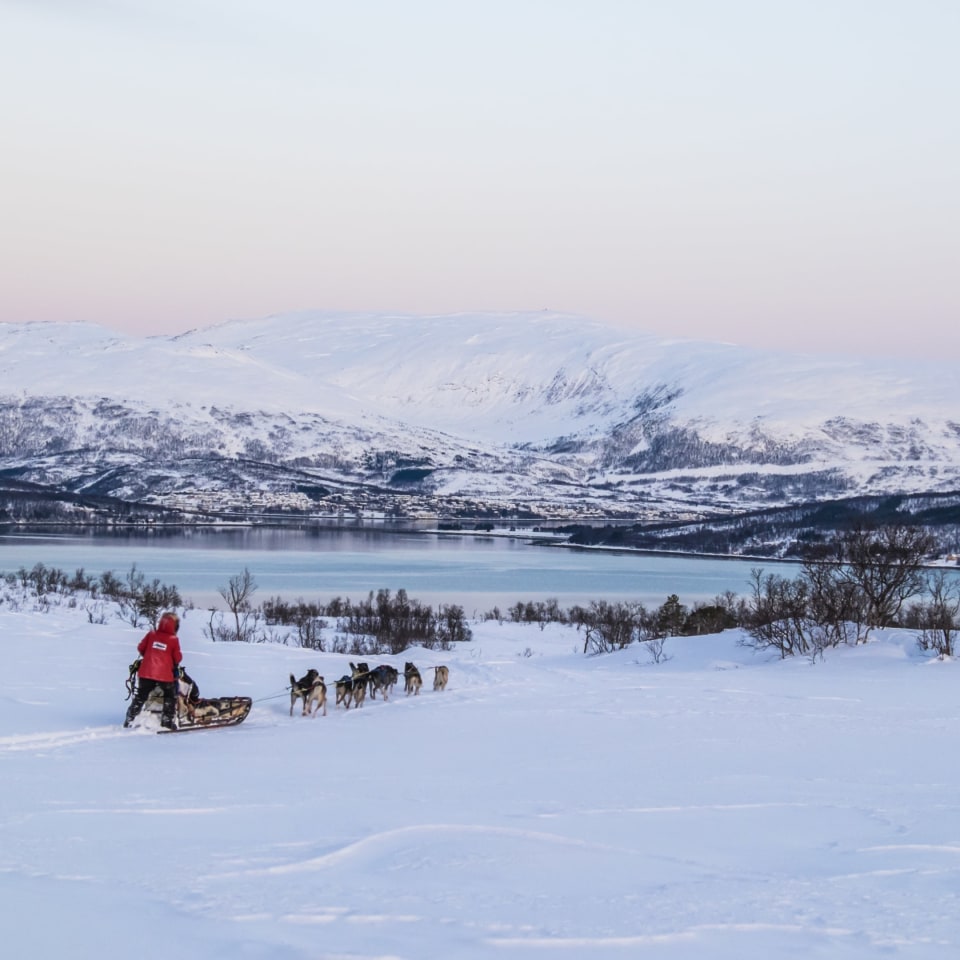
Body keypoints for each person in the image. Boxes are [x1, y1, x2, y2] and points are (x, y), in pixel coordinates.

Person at [124, 611, 183, 730]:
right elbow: (177, 658)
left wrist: (149, 654)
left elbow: (141, 648)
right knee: (170, 696)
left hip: (146, 672)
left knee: (141, 696)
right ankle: (166, 721)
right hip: (164, 675)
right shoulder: (173, 640)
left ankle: (130, 718)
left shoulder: (151, 635)